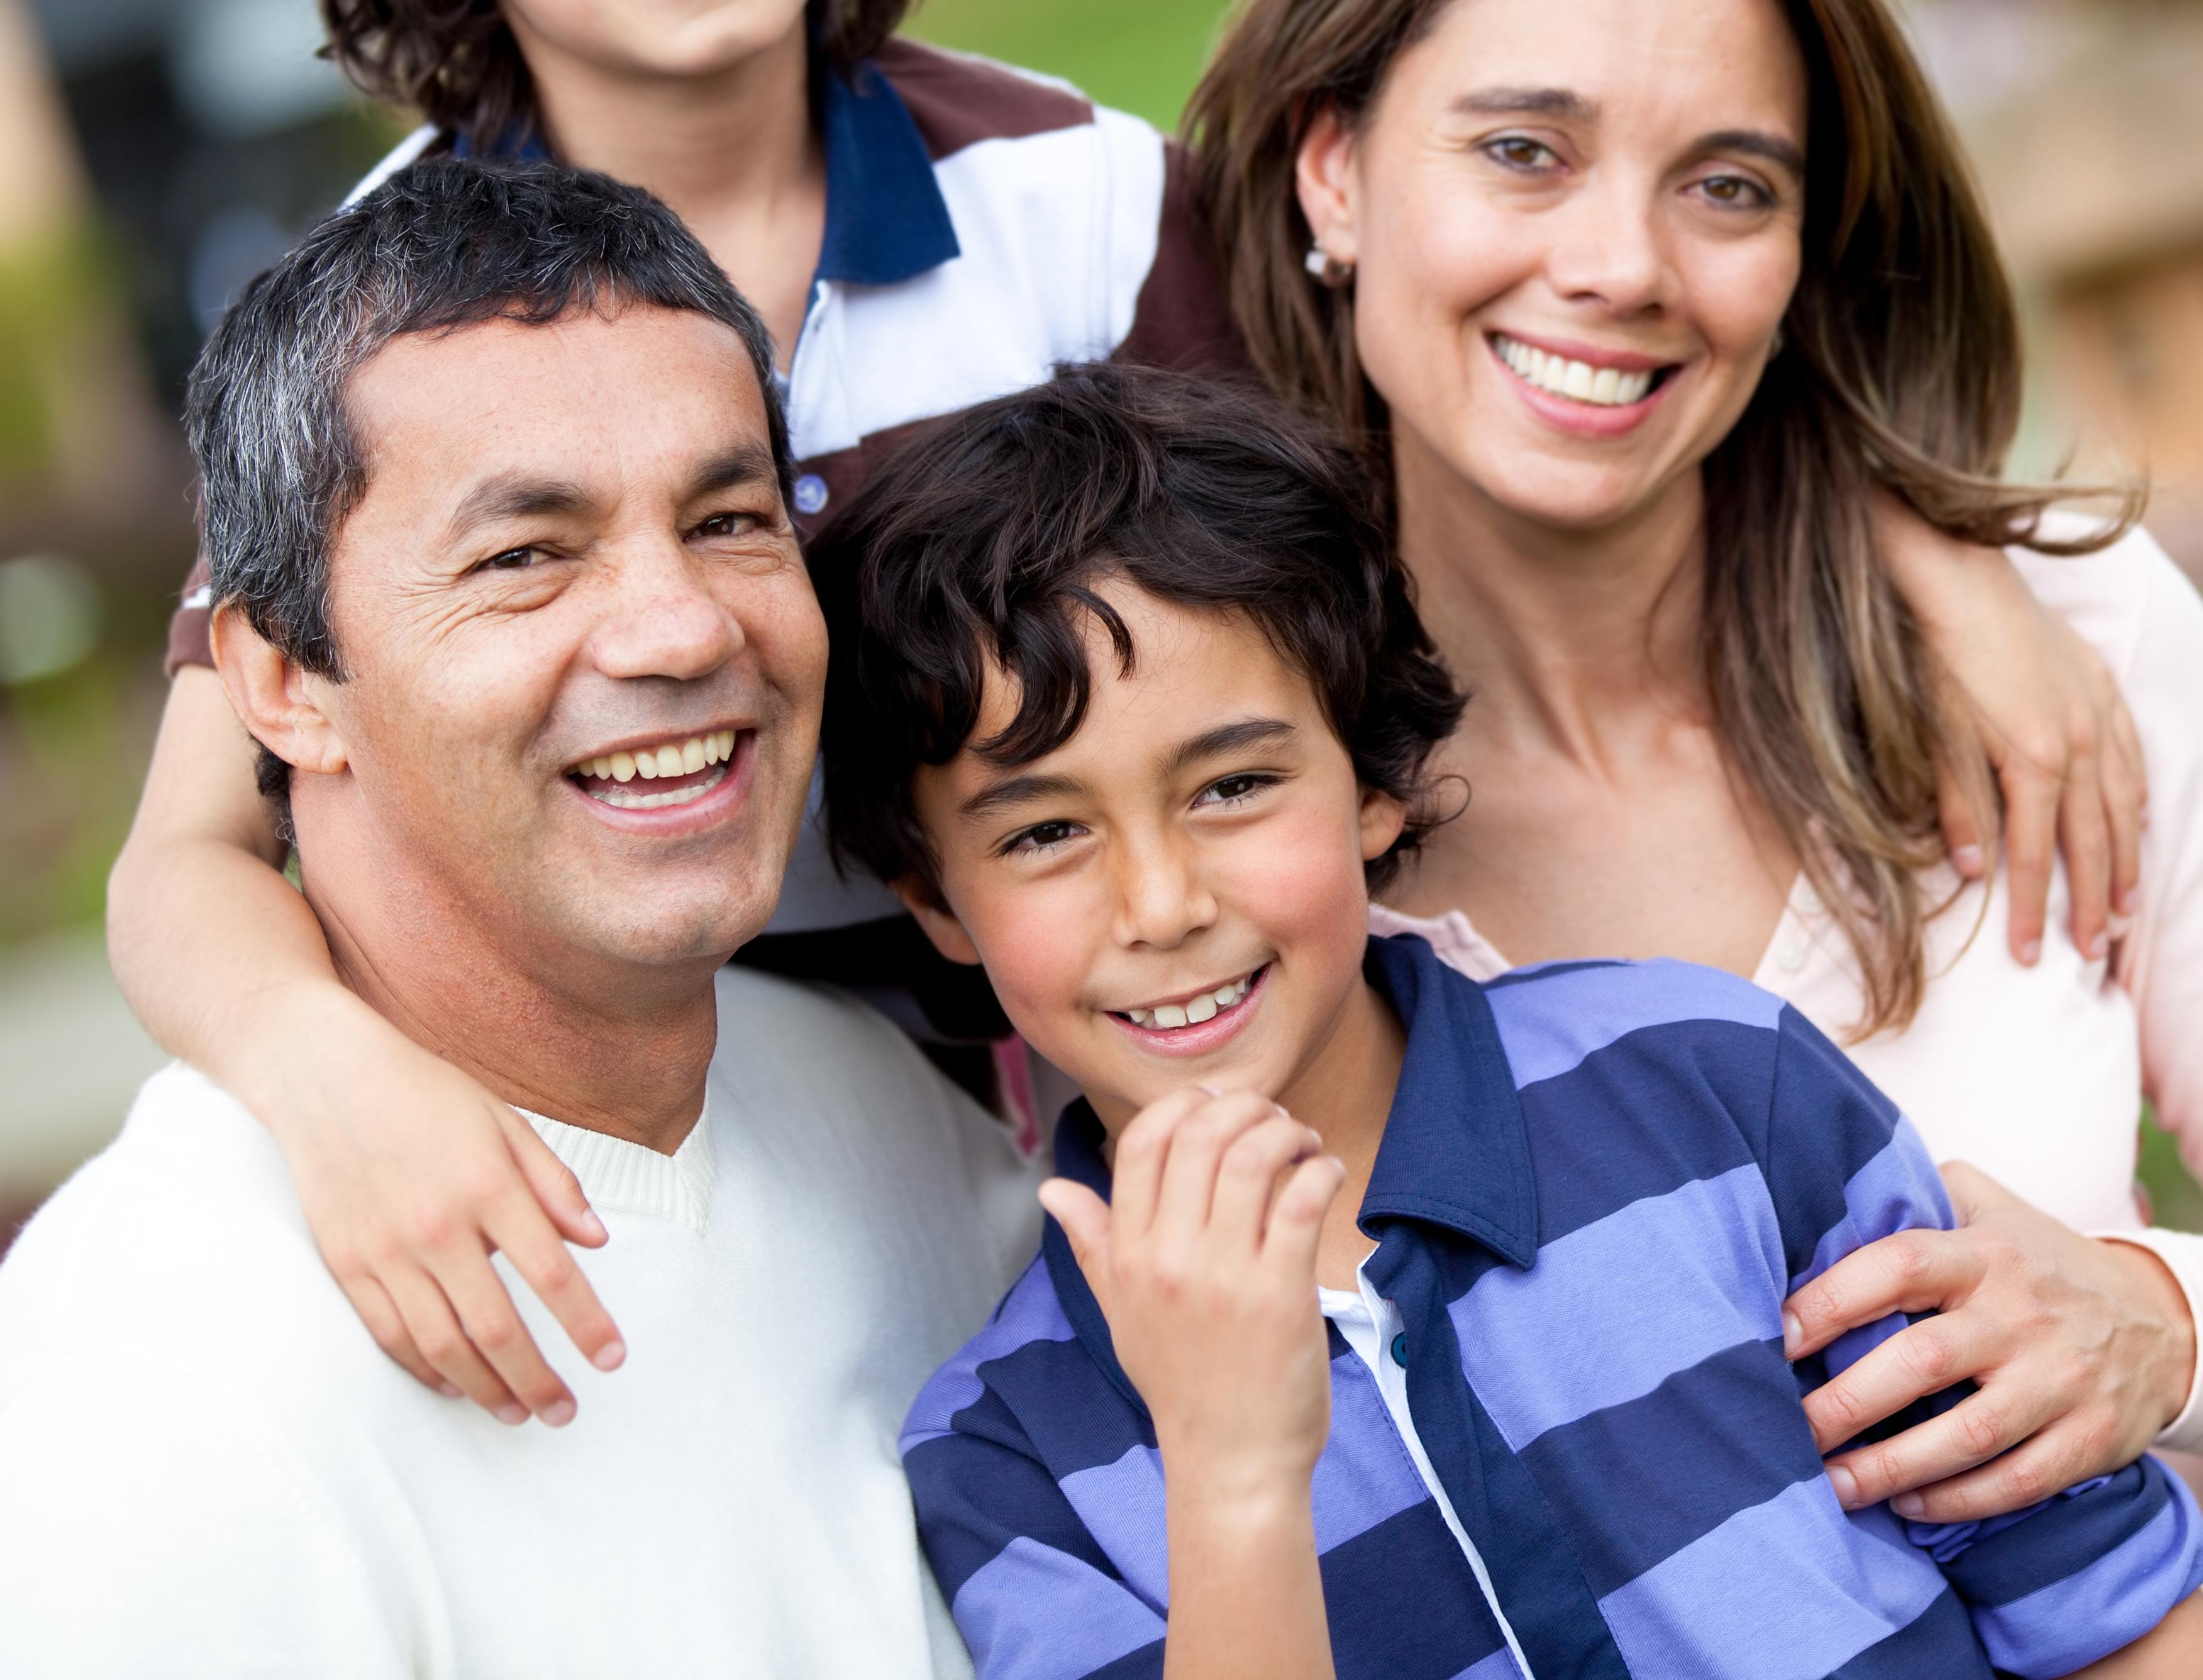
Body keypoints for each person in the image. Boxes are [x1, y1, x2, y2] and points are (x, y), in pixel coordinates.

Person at [108, 0, 2145, 1457]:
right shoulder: (380, 322)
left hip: (1096, 1088)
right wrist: (323, 1075)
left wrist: (1926, 554)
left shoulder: (1067, 203)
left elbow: (1498, 385)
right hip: (666, 1116)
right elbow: (186, 849)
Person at [811, 362, 2203, 1680]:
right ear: (938, 900)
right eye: (1048, 829)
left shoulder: (1716, 1083)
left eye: (1231, 788)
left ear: (1372, 782)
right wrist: (1233, 1476)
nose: (1162, 903)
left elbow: (2111, 1611)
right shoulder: (1007, 1456)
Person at [1181, 0, 2203, 1520]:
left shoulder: (2075, 639)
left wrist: (2158, 1317)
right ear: (1332, 170)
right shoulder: (1207, 826)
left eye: (1727, 186)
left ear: (1806, 249)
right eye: (1524, 149)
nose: (1622, 263)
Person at [0, 160, 1036, 1677]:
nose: (682, 626)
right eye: (523, 556)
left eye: (731, 518)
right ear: (284, 684)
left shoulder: (890, 1120)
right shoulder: (145, 1391)